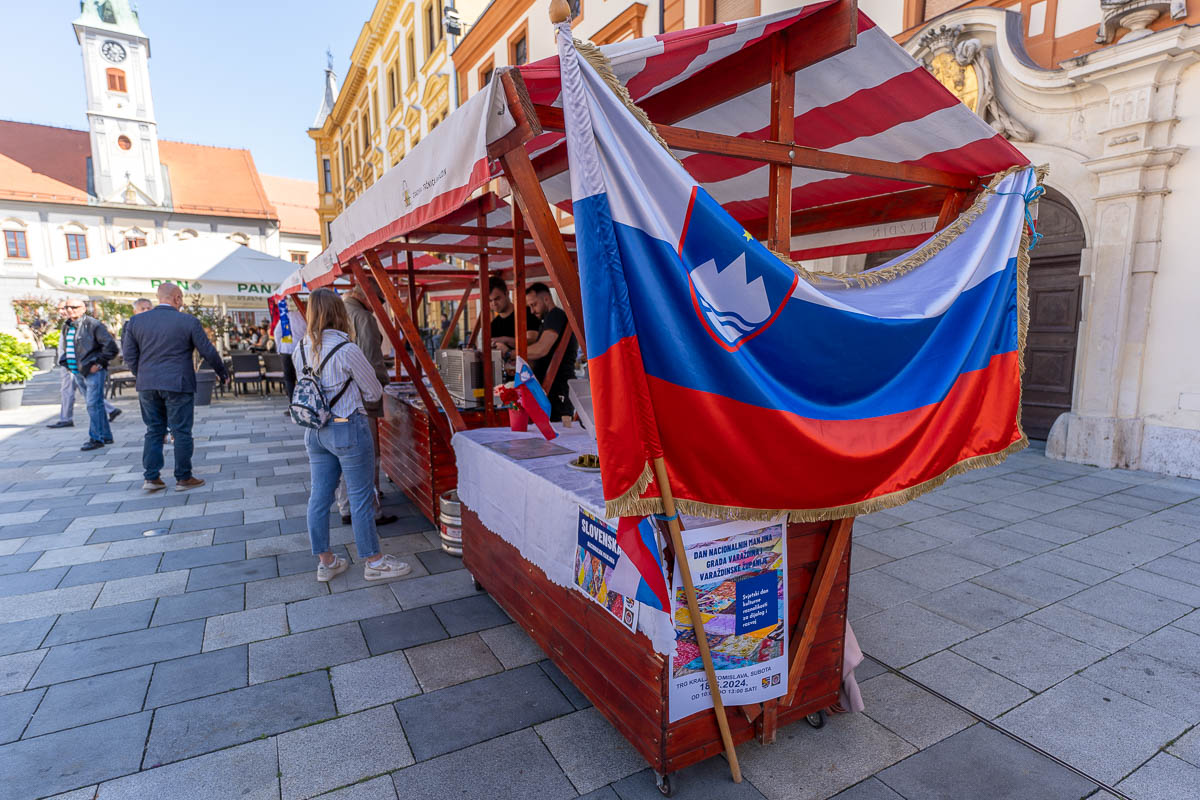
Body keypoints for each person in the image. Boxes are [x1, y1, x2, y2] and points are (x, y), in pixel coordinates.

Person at [295, 288, 410, 582]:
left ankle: (326, 562)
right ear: (339, 313)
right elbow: (373, 391)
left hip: (315, 430)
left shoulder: (300, 348)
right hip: (347, 425)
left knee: (319, 497)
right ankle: (374, 561)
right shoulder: (347, 349)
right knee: (360, 497)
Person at [122, 282, 229, 492]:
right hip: (178, 383)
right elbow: (207, 350)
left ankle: (151, 478)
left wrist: (141, 374)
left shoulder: (135, 321)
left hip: (147, 384)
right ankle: (183, 477)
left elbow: (129, 355)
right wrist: (222, 371)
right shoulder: (187, 321)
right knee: (181, 431)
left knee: (153, 430)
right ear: (177, 298)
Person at [335, 286, 397, 527]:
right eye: (379, 300)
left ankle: (346, 507)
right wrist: (381, 384)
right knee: (368, 454)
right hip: (361, 398)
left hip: (339, 402)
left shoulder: (339, 312)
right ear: (366, 296)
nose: (379, 306)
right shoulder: (364, 317)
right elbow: (372, 360)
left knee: (346, 454)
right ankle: (373, 510)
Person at [46, 299, 119, 429]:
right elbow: (68, 347)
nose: (69, 310)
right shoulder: (67, 326)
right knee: (94, 403)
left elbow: (111, 348)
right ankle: (105, 434)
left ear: (83, 308)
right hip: (75, 370)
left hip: (91, 369)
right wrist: (66, 362)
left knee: (92, 404)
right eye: (66, 307)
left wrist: (98, 364)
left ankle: (96, 437)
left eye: (74, 307)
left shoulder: (93, 324)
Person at [524, 282, 578, 419]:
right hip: (552, 390)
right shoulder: (548, 320)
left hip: (558, 388)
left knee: (561, 435)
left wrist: (513, 353)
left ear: (546, 299)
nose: (532, 311)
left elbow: (542, 349)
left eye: (534, 304)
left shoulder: (556, 316)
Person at [487, 276, 540, 354]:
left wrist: (505, 340)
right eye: (490, 300)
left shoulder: (527, 312)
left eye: (497, 298)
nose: (494, 303)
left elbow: (532, 340)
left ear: (507, 293)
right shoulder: (492, 326)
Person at [273, 297, 307, 408]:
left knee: (289, 379)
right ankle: (304, 403)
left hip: (286, 350)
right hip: (301, 351)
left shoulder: (288, 315)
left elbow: (277, 333)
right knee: (303, 377)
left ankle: (293, 405)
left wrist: (279, 347)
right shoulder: (306, 318)